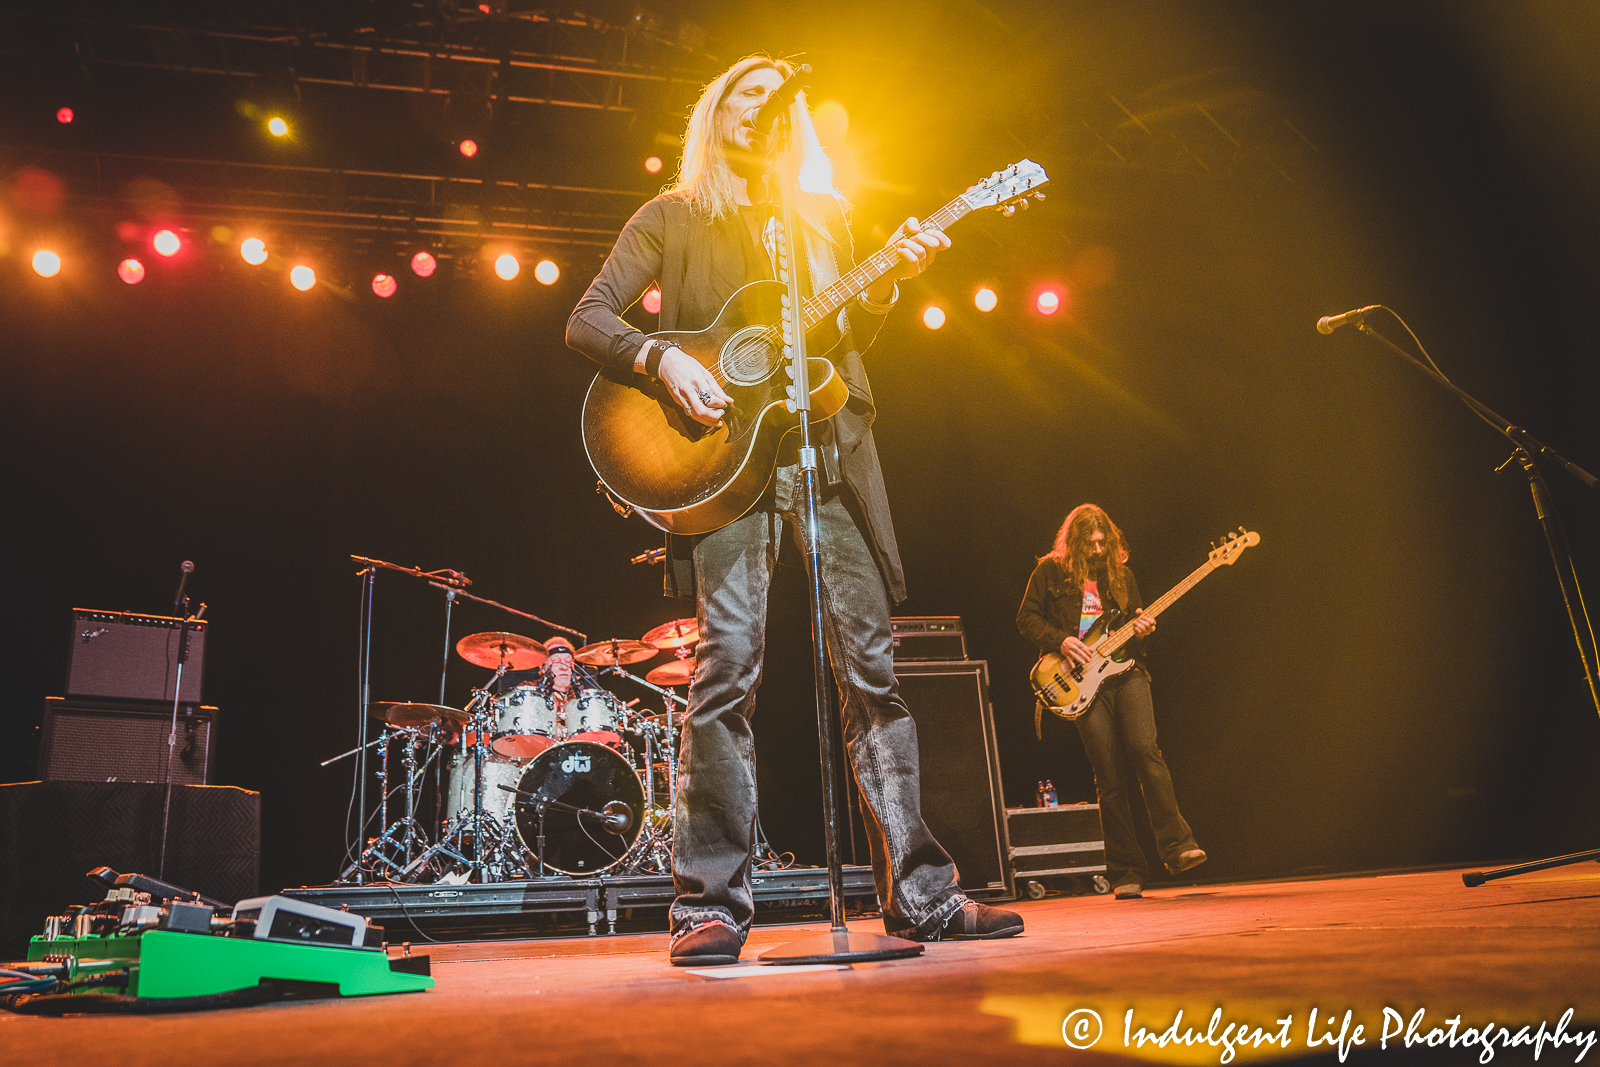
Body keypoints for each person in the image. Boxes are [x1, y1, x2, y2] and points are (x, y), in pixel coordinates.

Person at [566, 54, 1022, 964]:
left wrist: (885, 282)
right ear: (716, 114)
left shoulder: (821, 218)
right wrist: (662, 359)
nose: (760, 110)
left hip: (831, 457)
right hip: (723, 466)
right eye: (745, 95)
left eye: (777, 101)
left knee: (872, 672)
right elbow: (588, 318)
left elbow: (843, 337)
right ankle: (710, 905)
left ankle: (923, 898)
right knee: (725, 670)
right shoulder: (673, 215)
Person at [1016, 504, 1206, 899]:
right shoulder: (1050, 571)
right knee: (1109, 774)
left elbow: (1130, 627)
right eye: (1092, 542)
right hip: (1082, 683)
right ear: (1076, 541)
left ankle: (1179, 847)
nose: (1100, 550)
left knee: (1146, 751)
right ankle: (1126, 873)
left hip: (1125, 674)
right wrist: (1061, 640)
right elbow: (1026, 618)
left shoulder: (1123, 576)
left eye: (1105, 542)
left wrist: (1143, 628)